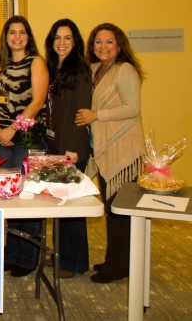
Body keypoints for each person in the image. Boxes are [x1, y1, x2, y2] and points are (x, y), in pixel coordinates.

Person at [75, 22, 145, 283]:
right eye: (98, 42)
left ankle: (118, 267)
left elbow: (132, 108)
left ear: (119, 47)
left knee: (120, 212)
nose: (103, 47)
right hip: (103, 149)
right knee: (112, 210)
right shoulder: (95, 70)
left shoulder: (125, 70)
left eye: (109, 42)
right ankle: (117, 259)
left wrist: (97, 115)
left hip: (122, 151)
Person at [0, 15, 49, 277]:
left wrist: (12, 130)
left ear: (28, 36)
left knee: (28, 198)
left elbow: (37, 102)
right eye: (12, 32)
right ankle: (11, 251)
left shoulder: (36, 62)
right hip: (3, 139)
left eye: (22, 32)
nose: (17, 36)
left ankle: (28, 257)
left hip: (27, 139)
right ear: (6, 37)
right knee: (9, 198)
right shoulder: (1, 64)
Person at [44, 18, 92, 279]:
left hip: (71, 149)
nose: (62, 43)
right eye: (57, 38)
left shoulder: (80, 72)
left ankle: (72, 263)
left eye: (67, 38)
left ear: (75, 42)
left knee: (72, 207)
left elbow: (81, 114)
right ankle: (61, 253)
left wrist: (72, 150)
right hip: (53, 145)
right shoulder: (53, 69)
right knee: (59, 204)